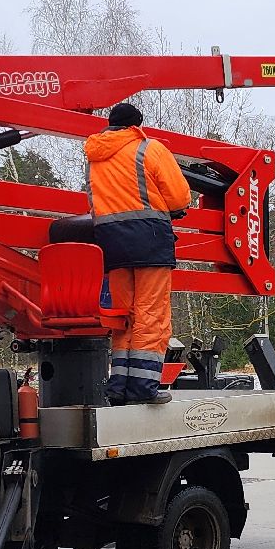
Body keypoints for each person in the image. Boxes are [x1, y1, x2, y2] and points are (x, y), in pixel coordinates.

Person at [84, 102, 191, 404]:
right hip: (149, 240)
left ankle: (118, 387)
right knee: (151, 315)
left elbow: (94, 201)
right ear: (136, 125)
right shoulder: (149, 148)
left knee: (125, 318)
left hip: (111, 244)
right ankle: (143, 388)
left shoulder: (94, 157)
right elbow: (179, 197)